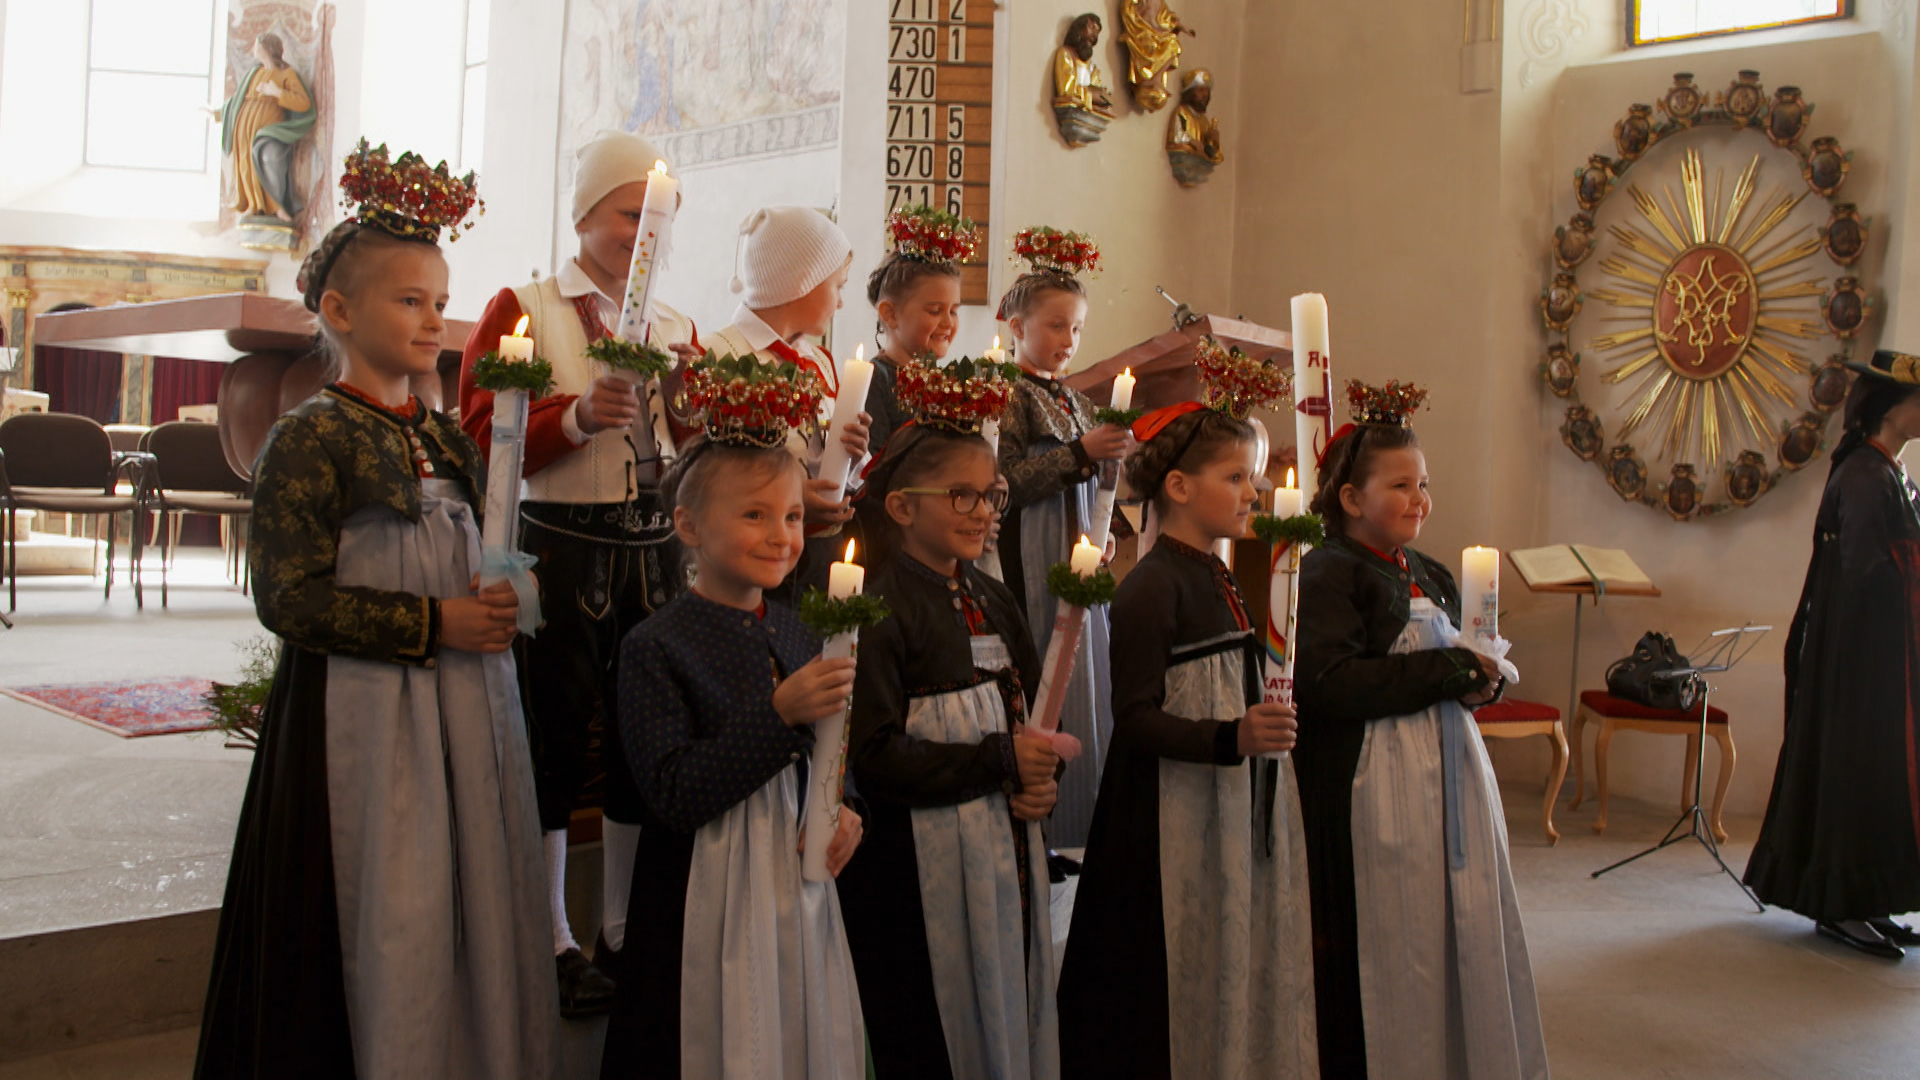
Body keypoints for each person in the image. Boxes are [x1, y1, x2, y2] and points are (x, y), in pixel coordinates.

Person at [196, 141, 559, 1079]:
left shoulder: (445, 433)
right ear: (339, 311)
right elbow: (287, 597)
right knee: (386, 907)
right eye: (410, 301)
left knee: (468, 896)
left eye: (441, 302)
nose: (435, 320)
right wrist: (434, 625)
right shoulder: (309, 436)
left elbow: (494, 545)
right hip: (362, 723)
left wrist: (510, 594)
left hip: (467, 721)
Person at [458, 130, 701, 1014]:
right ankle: (549, 931)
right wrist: (570, 418)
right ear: (585, 215)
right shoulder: (526, 306)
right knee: (553, 741)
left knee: (645, 743)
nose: (645, 237)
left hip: (654, 556)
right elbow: (480, 432)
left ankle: (624, 927)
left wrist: (698, 417)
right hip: (558, 550)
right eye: (630, 216)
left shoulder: (676, 326)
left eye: (658, 222)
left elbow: (690, 443)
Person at [598, 360, 868, 1078]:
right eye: (754, 515)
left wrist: (846, 810)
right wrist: (779, 714)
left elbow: (837, 752)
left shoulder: (798, 629)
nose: (782, 536)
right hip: (701, 896)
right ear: (688, 523)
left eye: (790, 516)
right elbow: (674, 792)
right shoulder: (656, 645)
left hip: (796, 887)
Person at [1057, 394, 1317, 1079]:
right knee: (1160, 972)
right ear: (1178, 486)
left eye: (1252, 478)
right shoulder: (1150, 587)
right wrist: (1232, 736)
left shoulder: (1215, 569)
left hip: (1220, 804)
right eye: (1235, 477)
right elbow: (1135, 720)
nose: (1252, 492)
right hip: (1164, 815)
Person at [1292, 381, 1546, 1080]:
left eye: (1424, 484)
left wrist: (1481, 682)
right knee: (1385, 942)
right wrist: (1447, 671)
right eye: (1400, 485)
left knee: (1444, 929)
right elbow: (1329, 683)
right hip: (1370, 786)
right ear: (1350, 499)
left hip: (1447, 779)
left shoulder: (1429, 570)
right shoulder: (1329, 572)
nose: (1419, 499)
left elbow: (1463, 659)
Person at [836, 372, 1060, 1078]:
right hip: (912, 869)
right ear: (900, 506)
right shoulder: (878, 607)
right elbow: (871, 755)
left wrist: (1044, 779)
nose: (983, 511)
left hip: (1006, 851)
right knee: (931, 1030)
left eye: (991, 495)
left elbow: (1034, 716)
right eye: (960, 495)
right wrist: (1000, 764)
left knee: (1009, 1006)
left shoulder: (994, 595)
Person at [1746, 348, 1920, 960]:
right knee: (1860, 779)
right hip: (1862, 665)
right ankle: (1842, 906)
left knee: (1883, 781)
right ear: (1892, 408)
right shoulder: (1865, 475)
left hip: (1885, 660)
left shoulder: (1889, 471)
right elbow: (1867, 573)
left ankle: (1870, 901)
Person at [997, 227, 1122, 855]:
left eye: (1075, 330)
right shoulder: (1007, 394)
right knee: (1048, 670)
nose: (1067, 342)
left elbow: (1098, 488)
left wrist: (1107, 533)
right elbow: (1007, 483)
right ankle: (1047, 830)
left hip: (1078, 546)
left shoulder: (1077, 400)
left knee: (1088, 676)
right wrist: (1079, 454)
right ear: (1015, 325)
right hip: (1033, 553)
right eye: (1053, 326)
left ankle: (1084, 826)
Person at [707, 205, 872, 599]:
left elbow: (820, 457)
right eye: (838, 285)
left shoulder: (820, 361)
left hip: (819, 551)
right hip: (754, 558)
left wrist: (851, 454)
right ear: (803, 281)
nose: (841, 303)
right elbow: (713, 467)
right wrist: (793, 499)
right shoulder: (719, 353)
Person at [848, 204, 975, 567]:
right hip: (893, 542)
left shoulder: (949, 383)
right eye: (935, 311)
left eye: (954, 310)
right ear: (889, 314)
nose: (948, 322)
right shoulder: (876, 378)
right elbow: (870, 475)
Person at [211, 33, 315, 222]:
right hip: (244, 130)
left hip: (269, 130)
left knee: (270, 159)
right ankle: (254, 204)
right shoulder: (255, 73)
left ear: (266, 49)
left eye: (256, 45)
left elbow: (303, 103)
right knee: (246, 164)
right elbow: (238, 101)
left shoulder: (286, 74)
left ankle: (278, 207)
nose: (253, 49)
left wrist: (276, 92)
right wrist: (219, 114)